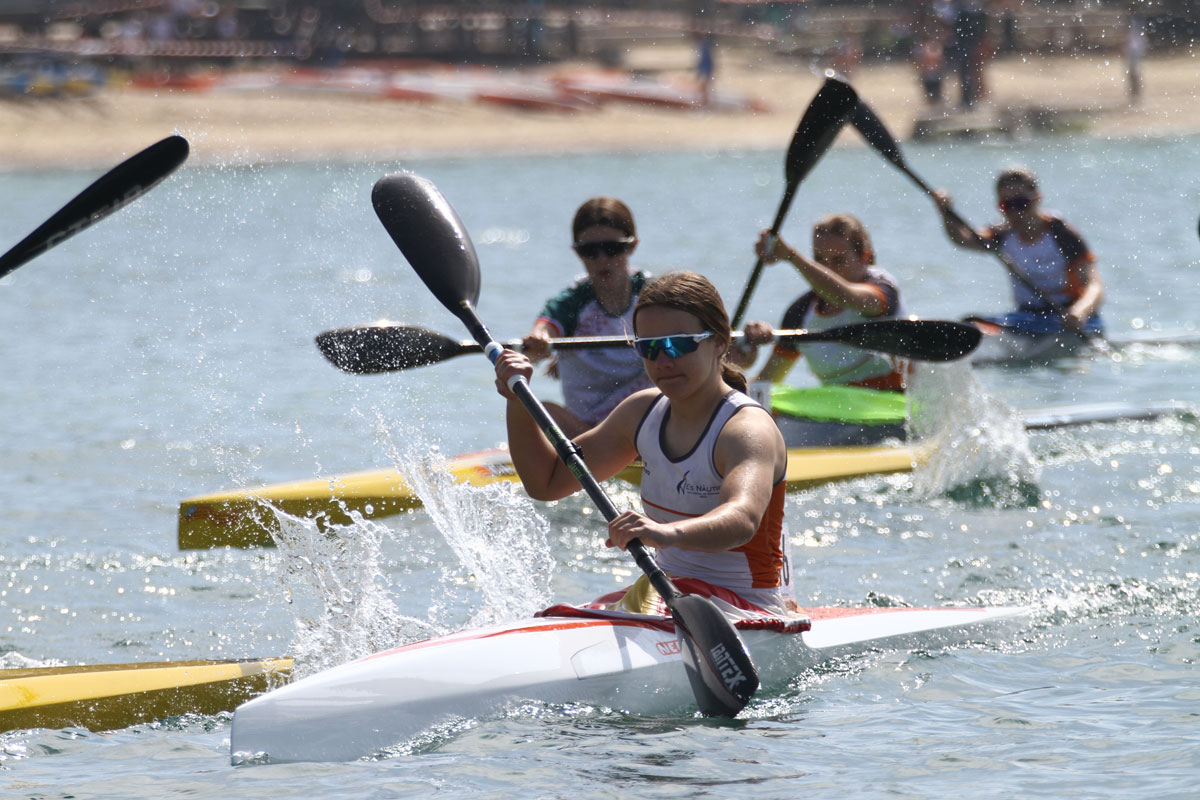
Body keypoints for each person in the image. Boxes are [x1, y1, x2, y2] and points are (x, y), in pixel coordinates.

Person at [496, 271, 794, 615]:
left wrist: (664, 533)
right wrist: (516, 399)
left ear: (719, 342)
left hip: (749, 606)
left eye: (678, 344)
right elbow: (546, 483)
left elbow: (741, 520)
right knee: (550, 617)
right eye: (648, 348)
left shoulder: (746, 429)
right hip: (671, 591)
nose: (662, 361)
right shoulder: (641, 413)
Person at [522, 197, 653, 438]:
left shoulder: (655, 297)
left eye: (612, 248)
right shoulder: (570, 303)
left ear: (632, 246)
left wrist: (744, 348)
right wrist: (538, 342)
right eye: (589, 250)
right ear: (577, 252)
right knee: (535, 410)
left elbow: (718, 354)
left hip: (649, 419)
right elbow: (544, 330)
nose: (602, 259)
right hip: (587, 432)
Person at [735, 213, 907, 392]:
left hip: (897, 404)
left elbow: (845, 296)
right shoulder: (800, 312)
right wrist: (736, 365)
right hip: (840, 411)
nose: (827, 269)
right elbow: (765, 384)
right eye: (820, 260)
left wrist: (791, 256)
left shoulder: (883, 287)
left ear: (865, 257)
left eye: (838, 261)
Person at [935, 167, 1104, 335]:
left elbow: (1095, 286)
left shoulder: (1063, 235)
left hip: (1069, 318)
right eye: (1007, 205)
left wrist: (1080, 311)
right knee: (971, 325)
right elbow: (962, 239)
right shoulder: (1002, 235)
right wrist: (945, 212)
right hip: (1027, 318)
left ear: (1038, 199)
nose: (1015, 212)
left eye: (1021, 204)